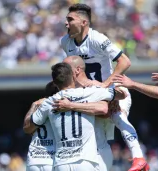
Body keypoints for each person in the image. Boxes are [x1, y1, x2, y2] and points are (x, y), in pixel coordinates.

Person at [60, 3, 148, 171]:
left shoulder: (97, 39)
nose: (66, 23)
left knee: (118, 116)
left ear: (84, 22)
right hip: (94, 95)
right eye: (66, 19)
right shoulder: (66, 42)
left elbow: (125, 61)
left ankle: (139, 157)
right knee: (97, 137)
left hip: (113, 90)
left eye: (70, 19)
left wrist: (105, 87)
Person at [25, 62, 125, 171]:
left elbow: (28, 127)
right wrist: (101, 87)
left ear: (55, 82)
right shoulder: (89, 93)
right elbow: (122, 94)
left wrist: (35, 106)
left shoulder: (49, 102)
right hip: (85, 161)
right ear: (73, 77)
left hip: (61, 164)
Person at [23, 81, 58, 171]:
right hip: (53, 159)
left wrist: (34, 105)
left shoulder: (38, 106)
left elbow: (26, 127)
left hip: (34, 160)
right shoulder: (62, 106)